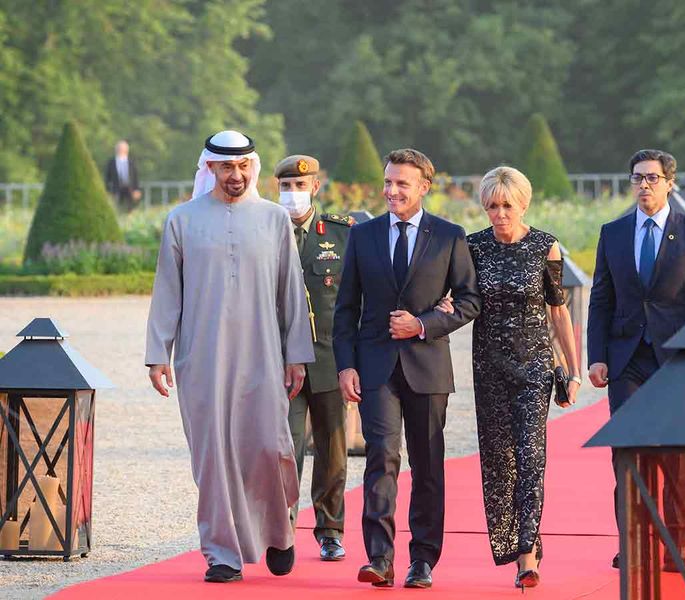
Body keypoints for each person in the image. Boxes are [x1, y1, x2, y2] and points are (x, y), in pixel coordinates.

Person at [145, 130, 314, 583]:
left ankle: (280, 532)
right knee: (213, 457)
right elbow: (167, 291)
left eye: (242, 167)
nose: (235, 175)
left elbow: (291, 293)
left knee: (269, 448)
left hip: (264, 354)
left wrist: (296, 354)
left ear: (252, 168)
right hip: (201, 358)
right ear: (210, 169)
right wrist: (158, 352)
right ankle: (222, 553)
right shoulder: (182, 220)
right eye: (226, 167)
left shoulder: (274, 219)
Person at [333, 148, 481, 589]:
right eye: (388, 182)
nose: (392, 190)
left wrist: (423, 324)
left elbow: (471, 300)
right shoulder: (363, 236)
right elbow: (345, 309)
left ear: (423, 187)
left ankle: (423, 560)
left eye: (402, 183)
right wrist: (345, 367)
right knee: (381, 456)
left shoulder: (450, 236)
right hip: (375, 367)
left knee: (428, 464)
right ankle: (379, 557)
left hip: (428, 367)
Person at [436, 166, 580, 590]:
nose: (499, 214)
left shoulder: (545, 247)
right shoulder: (473, 246)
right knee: (499, 462)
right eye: (492, 206)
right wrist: (438, 311)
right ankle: (514, 542)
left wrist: (573, 370)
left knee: (531, 457)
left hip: (535, 365)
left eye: (507, 205)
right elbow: (459, 300)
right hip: (489, 366)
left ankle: (527, 554)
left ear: (523, 204)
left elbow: (558, 311)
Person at [587, 149, 685, 572]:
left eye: (652, 177)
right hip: (625, 360)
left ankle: (674, 545)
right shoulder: (612, 233)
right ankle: (631, 540)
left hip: (677, 360)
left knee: (675, 458)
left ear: (669, 182)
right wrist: (597, 357)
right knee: (627, 452)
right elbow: (600, 300)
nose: (643, 185)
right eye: (637, 178)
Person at [274, 154, 351, 562]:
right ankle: (281, 530)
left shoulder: (341, 235)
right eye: (286, 187)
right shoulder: (266, 231)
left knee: (332, 450)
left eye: (300, 187)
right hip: (281, 362)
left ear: (316, 188)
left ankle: (330, 530)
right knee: (283, 450)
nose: (293, 194)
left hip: (330, 360)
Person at [104, 140, 142, 212]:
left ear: (127, 150)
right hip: (116, 191)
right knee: (117, 209)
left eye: (123, 148)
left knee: (130, 210)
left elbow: (135, 177)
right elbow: (107, 179)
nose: (121, 150)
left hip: (130, 190)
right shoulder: (111, 163)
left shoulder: (131, 162)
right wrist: (108, 192)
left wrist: (137, 189)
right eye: (119, 148)